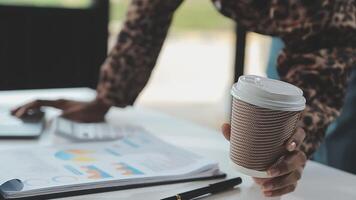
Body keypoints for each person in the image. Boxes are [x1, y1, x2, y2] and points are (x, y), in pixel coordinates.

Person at [12, 0, 356, 197]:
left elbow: (323, 60)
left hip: (337, 25)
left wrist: (300, 136)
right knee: (271, 150)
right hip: (290, 21)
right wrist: (106, 96)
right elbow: (150, 10)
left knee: (328, 158)